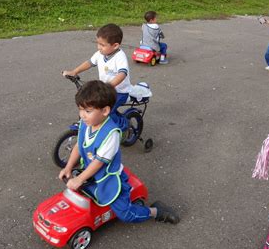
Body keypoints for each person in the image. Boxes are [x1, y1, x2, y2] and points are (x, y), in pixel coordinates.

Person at [59, 80, 180, 224]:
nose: (82, 115)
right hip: (91, 174)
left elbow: (98, 163)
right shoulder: (86, 124)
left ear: (105, 111)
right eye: (80, 109)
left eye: (88, 111)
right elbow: (79, 146)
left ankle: (156, 212)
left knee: (126, 214)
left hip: (108, 179)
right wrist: (68, 167)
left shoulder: (111, 134)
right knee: (83, 196)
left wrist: (79, 179)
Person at [62, 23, 132, 125]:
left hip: (120, 92)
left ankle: (123, 124)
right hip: (104, 91)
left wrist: (109, 86)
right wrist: (74, 71)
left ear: (115, 45)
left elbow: (122, 74)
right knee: (94, 108)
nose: (99, 47)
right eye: (98, 43)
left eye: (102, 45)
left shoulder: (120, 56)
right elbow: (89, 63)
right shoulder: (100, 54)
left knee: (105, 113)